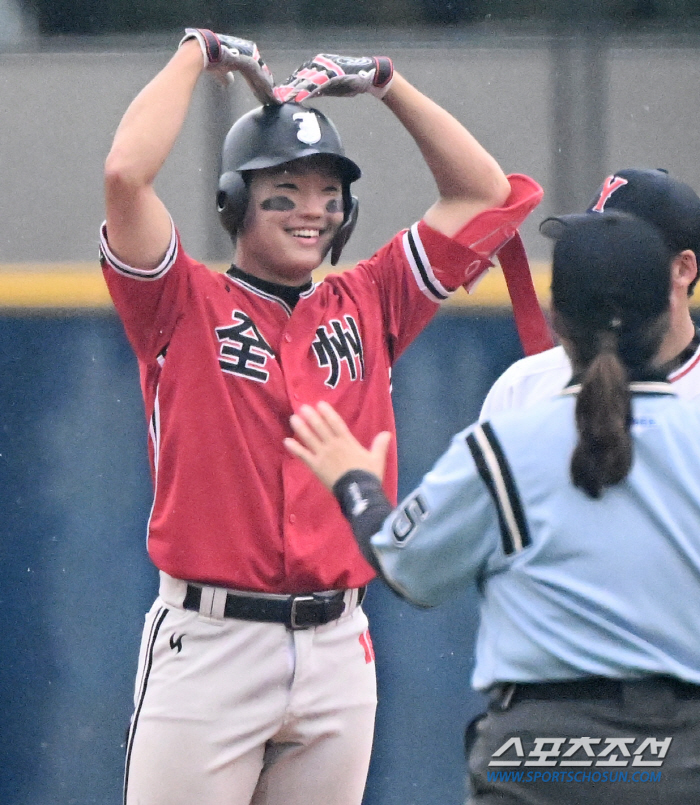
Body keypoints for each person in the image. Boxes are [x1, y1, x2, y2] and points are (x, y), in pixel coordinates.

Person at [101, 28, 543, 805]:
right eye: (285, 188)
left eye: (327, 192)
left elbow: (484, 193)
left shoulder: (370, 297)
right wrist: (194, 56)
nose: (312, 209)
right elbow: (125, 175)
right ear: (235, 200)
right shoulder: (180, 303)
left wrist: (385, 83)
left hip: (339, 643)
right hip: (210, 641)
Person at [285, 211, 700, 804]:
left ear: (558, 320)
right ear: (666, 312)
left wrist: (356, 484)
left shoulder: (505, 443)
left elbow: (409, 568)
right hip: (681, 756)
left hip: (537, 757)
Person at [480, 168, 700, 419]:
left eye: (615, 253)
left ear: (682, 269)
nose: (591, 266)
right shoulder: (521, 386)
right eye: (586, 249)